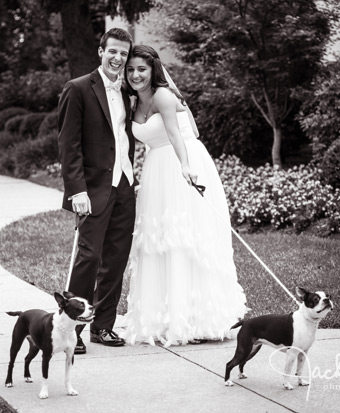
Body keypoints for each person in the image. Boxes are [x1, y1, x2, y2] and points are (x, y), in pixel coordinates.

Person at [121, 45, 248, 347]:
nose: (136, 74)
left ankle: (197, 320)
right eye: (131, 69)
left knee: (186, 238)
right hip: (156, 169)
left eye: (142, 68)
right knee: (158, 240)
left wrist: (187, 166)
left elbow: (178, 133)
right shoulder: (132, 102)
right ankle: (163, 319)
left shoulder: (164, 95)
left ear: (153, 70)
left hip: (182, 163)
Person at [57, 28, 137, 353]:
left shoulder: (128, 92)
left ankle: (103, 326)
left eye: (124, 53)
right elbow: (68, 143)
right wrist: (77, 190)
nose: (118, 58)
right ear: (101, 51)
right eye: (113, 51)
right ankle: (72, 331)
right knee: (88, 257)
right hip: (91, 190)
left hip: (124, 186)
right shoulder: (77, 89)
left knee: (116, 259)